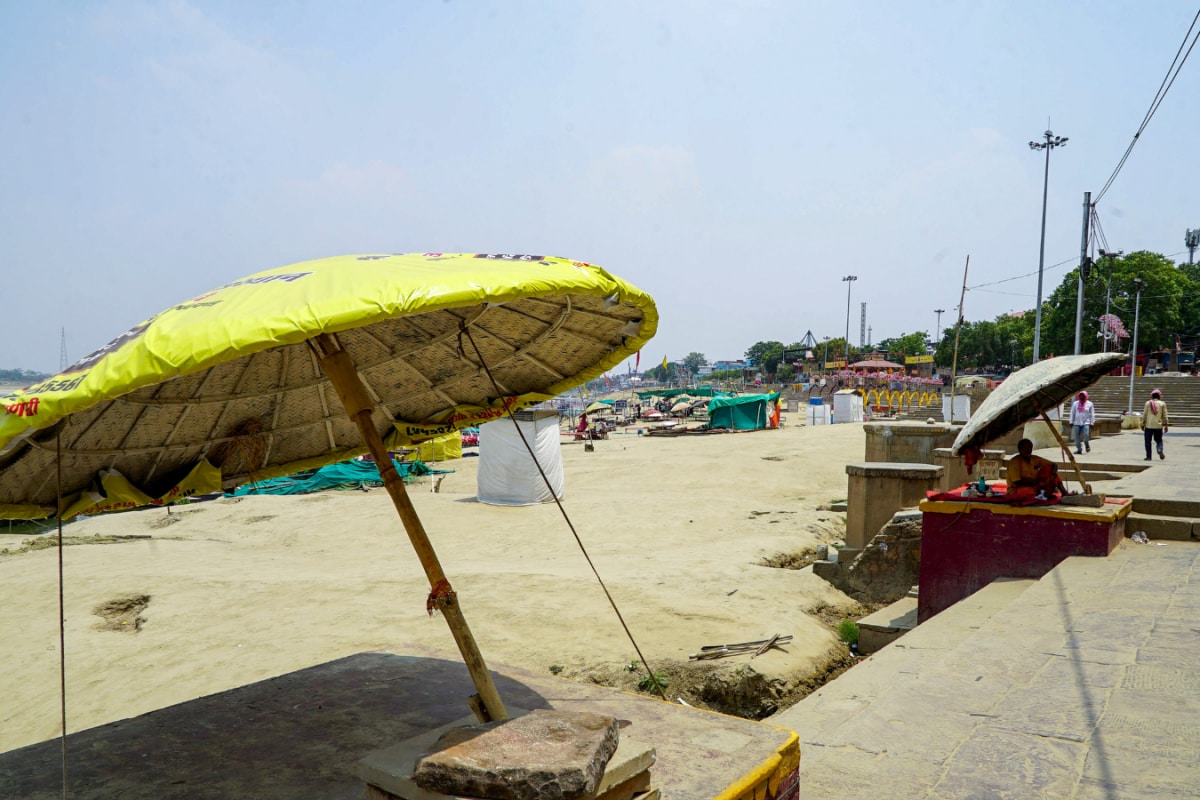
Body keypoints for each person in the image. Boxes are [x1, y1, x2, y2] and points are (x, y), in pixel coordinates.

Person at [1141, 389, 1169, 460]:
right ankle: (1159, 449)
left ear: (1152, 396)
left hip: (1148, 425)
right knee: (1159, 440)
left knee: (1148, 441)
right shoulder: (1162, 404)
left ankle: (1148, 456)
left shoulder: (1148, 403)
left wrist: (1142, 424)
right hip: (1158, 426)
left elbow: (1144, 415)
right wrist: (1166, 425)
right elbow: (1165, 416)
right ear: (1159, 396)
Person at [1069, 390, 1096, 454]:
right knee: (1077, 436)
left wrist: (1092, 422)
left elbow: (1092, 414)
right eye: (1080, 396)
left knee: (1086, 435)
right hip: (1077, 422)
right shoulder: (1075, 403)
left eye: (1083, 396)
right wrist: (1071, 421)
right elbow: (1072, 413)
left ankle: (1086, 444)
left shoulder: (1090, 404)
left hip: (1085, 422)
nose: (1081, 397)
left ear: (1086, 396)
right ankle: (1079, 449)